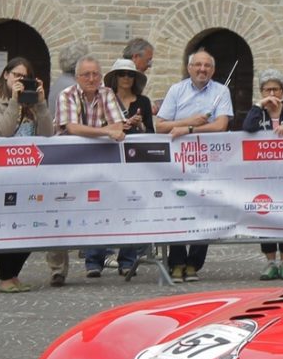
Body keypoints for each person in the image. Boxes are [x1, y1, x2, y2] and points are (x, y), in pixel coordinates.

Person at [155, 48, 232, 282]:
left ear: (213, 70)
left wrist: (189, 129)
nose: (202, 70)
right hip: (178, 161)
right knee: (176, 208)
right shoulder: (176, 90)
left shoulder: (222, 91)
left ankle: (194, 264)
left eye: (207, 66)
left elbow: (221, 126)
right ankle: (176, 262)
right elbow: (160, 126)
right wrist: (190, 120)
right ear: (189, 68)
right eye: (198, 65)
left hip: (208, 161)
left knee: (205, 209)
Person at [0, 57, 54, 293]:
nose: (20, 81)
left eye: (25, 77)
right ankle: (5, 276)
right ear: (6, 75)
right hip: (4, 173)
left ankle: (14, 274)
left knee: (31, 224)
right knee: (5, 224)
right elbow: (2, 132)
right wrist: (14, 101)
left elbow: (47, 134)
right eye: (16, 75)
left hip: (31, 173)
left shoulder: (34, 105)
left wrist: (41, 104)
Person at [55, 56, 127, 282]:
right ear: (77, 78)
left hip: (98, 159)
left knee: (101, 206)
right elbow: (73, 127)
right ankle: (58, 269)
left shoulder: (106, 94)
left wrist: (107, 130)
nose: (92, 78)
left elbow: (118, 124)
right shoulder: (66, 95)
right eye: (86, 74)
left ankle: (95, 260)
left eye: (95, 74)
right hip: (67, 159)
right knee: (60, 211)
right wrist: (105, 132)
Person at [95, 57, 155, 280]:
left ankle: (127, 261)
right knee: (101, 207)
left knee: (132, 208)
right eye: (122, 74)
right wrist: (118, 126)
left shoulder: (144, 102)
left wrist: (138, 125)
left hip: (134, 161)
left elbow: (151, 132)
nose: (126, 78)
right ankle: (94, 260)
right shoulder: (103, 100)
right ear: (115, 78)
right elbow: (96, 127)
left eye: (130, 75)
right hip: (107, 158)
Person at [243, 69, 283, 280]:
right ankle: (270, 261)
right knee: (265, 215)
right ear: (261, 92)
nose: (272, 93)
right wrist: (258, 106)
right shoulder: (257, 112)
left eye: (276, 89)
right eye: (267, 89)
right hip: (263, 174)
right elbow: (247, 128)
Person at [123, 37, 158, 114]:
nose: (149, 65)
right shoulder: (123, 78)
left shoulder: (137, 78)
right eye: (148, 60)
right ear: (135, 57)